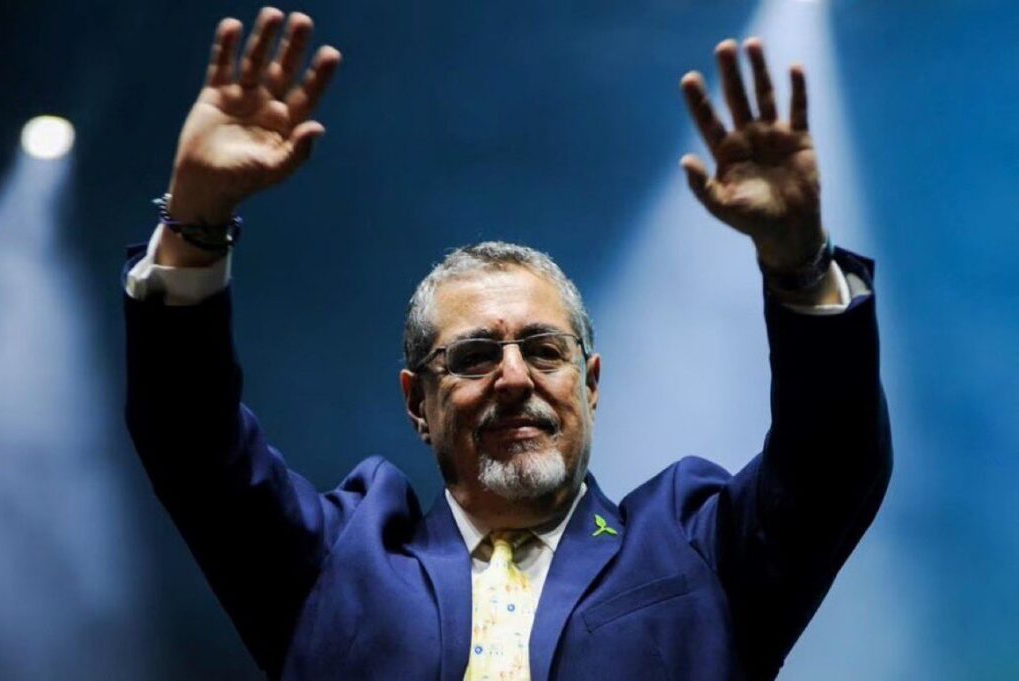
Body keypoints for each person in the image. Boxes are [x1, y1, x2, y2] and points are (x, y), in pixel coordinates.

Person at [124, 7, 892, 680]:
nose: (515, 377)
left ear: (591, 384)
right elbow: (190, 440)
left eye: (545, 349)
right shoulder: (335, 557)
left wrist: (798, 266)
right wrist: (196, 220)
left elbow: (832, 463)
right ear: (416, 403)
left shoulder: (699, 546)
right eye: (473, 357)